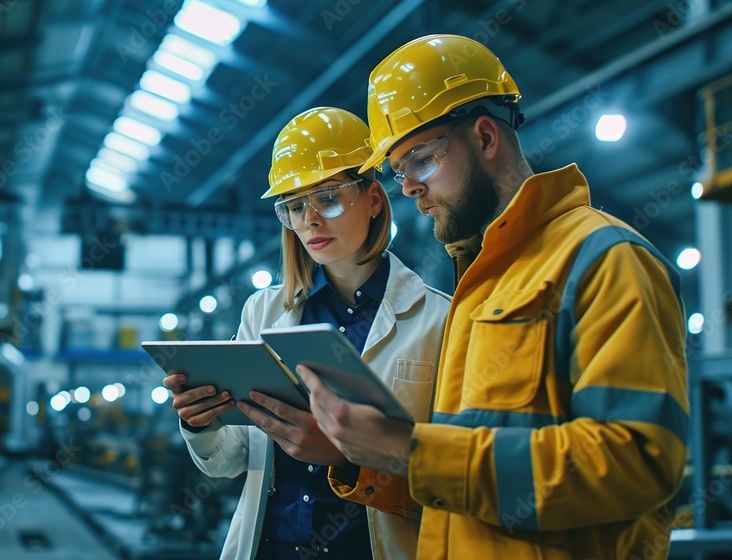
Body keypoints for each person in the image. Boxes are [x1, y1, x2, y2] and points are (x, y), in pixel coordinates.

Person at [299, 35, 689, 559]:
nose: (409, 188)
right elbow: (463, 491)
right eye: (399, 172)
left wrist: (407, 448)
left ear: (485, 137)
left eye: (420, 160)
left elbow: (636, 464)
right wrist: (361, 459)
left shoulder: (606, 258)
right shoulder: (479, 289)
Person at [163, 107, 451, 560]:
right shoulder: (263, 312)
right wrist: (199, 421)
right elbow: (228, 460)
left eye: (330, 197)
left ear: (374, 199)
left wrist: (348, 454)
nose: (310, 220)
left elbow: (454, 479)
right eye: (295, 207)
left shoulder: (439, 319)